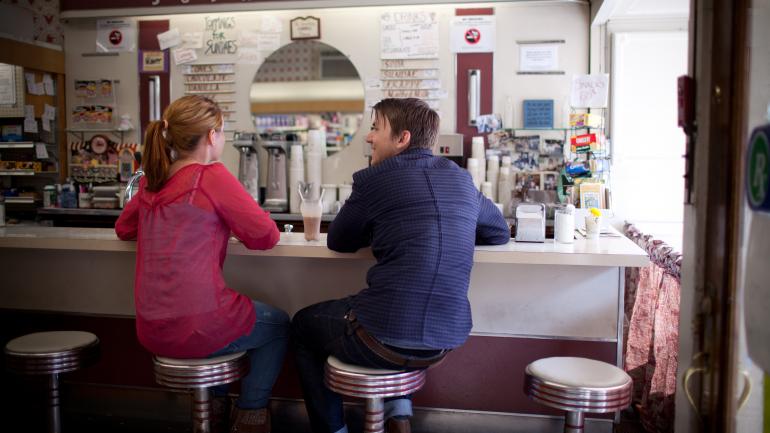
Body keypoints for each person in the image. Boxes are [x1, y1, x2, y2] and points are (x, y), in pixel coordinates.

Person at [291, 98, 511, 433]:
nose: (369, 137)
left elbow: (339, 240)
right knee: (386, 313)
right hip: (443, 342)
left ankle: (332, 429)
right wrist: (454, 228)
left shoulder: (373, 180)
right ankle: (398, 415)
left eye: (376, 128)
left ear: (402, 138)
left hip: (379, 340)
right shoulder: (460, 178)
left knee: (303, 325)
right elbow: (498, 231)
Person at [115, 95, 288, 433]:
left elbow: (124, 229)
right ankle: (251, 414)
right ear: (212, 136)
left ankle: (216, 407)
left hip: (150, 328)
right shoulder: (212, 177)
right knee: (279, 325)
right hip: (196, 327)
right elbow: (265, 237)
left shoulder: (153, 180)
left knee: (220, 321)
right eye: (222, 132)